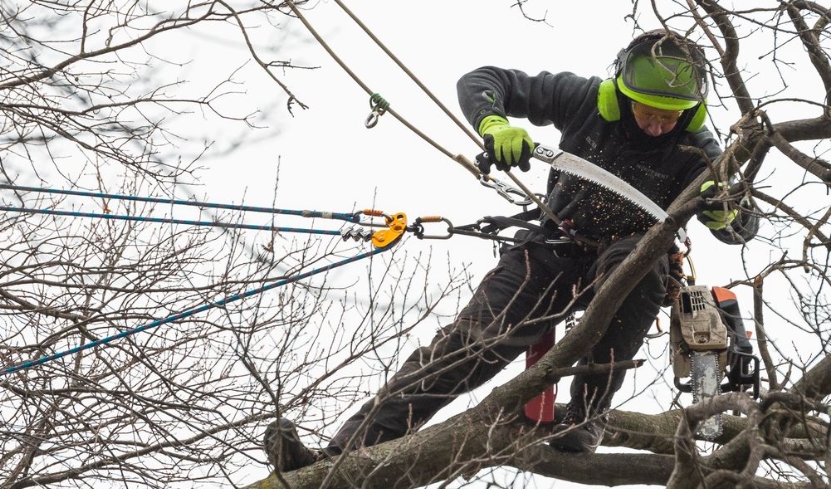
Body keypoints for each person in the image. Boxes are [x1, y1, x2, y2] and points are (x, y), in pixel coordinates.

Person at [264, 29, 759, 471]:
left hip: (628, 264)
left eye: (669, 116)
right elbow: (483, 80)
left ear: (691, 111)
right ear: (622, 95)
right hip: (553, 248)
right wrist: (495, 124)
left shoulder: (701, 152)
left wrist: (727, 212)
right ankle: (337, 462)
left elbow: (745, 225)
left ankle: (585, 418)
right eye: (648, 111)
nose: (656, 125)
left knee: (638, 262)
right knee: (467, 347)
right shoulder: (585, 99)